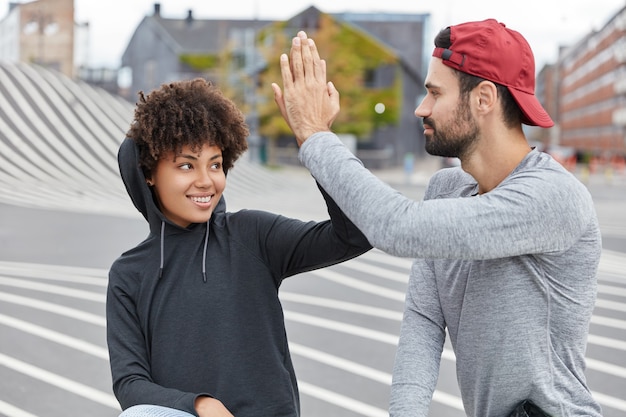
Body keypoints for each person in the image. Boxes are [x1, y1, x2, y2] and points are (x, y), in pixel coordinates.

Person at [272, 22, 601, 417]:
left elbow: (395, 227)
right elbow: (424, 320)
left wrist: (314, 136)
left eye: (434, 92)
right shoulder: (446, 188)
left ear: (483, 98)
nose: (421, 108)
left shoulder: (552, 197)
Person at [106, 78, 372, 417]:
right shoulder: (129, 274)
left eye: (215, 164)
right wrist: (200, 405)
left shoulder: (251, 235)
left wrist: (316, 137)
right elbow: (129, 383)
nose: (206, 180)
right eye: (186, 165)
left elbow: (355, 234)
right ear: (149, 173)